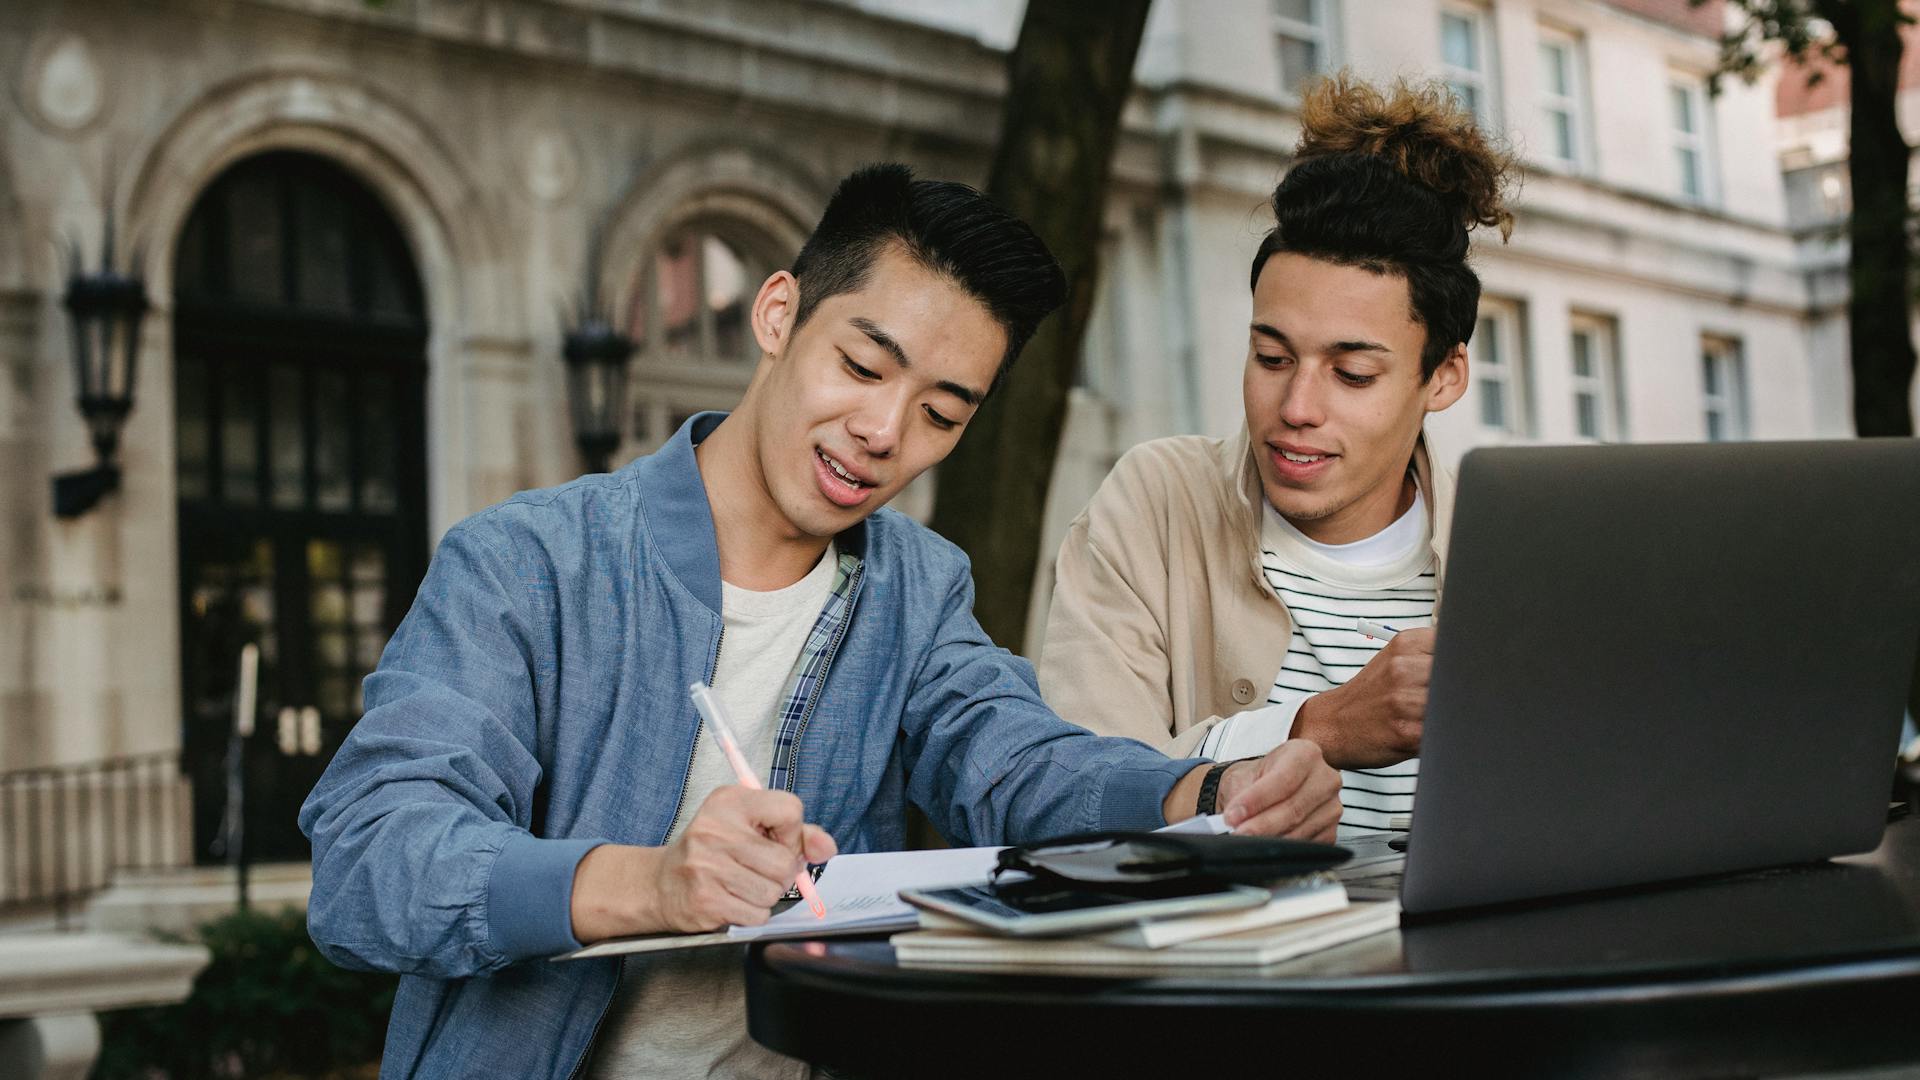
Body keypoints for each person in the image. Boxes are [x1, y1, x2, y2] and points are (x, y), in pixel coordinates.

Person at [300, 163, 1342, 1079]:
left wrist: (1203, 790)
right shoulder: (529, 564)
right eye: (861, 365)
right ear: (778, 312)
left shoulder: (917, 589)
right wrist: (651, 884)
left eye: (941, 413)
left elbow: (1018, 763)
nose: (883, 432)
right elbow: (368, 861)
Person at [1040, 75, 1515, 835]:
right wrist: (1317, 728)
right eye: (1271, 357)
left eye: (1352, 373)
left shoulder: (1511, 556)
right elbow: (1070, 792)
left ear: (1445, 376)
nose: (1296, 409)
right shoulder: (1157, 503)